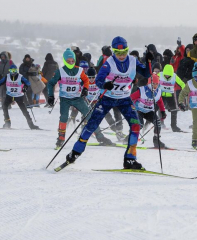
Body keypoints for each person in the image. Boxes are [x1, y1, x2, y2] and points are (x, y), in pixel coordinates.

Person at [60, 36, 152, 170]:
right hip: (107, 98)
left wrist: (149, 60)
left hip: (125, 99)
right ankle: (75, 153)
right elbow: (98, 81)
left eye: (124, 52)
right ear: (113, 51)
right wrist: (105, 84)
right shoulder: (109, 63)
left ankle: (130, 160)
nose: (121, 55)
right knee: (91, 125)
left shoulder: (133, 61)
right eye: (118, 52)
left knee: (136, 126)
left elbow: (147, 74)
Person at [47, 48, 111, 149]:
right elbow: (50, 83)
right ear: (64, 60)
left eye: (72, 61)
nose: (71, 63)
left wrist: (85, 89)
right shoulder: (60, 71)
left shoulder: (79, 70)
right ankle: (60, 138)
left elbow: (85, 80)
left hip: (77, 98)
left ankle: (100, 137)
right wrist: (50, 95)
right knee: (64, 117)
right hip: (65, 99)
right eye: (68, 61)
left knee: (89, 115)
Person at [0, 61, 39, 129]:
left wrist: (25, 87)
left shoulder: (20, 77)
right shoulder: (7, 76)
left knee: (24, 110)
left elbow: (27, 83)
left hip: (19, 96)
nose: (13, 72)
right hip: (9, 96)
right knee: (4, 106)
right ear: (9, 71)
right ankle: (7, 122)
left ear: (16, 70)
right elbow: (0, 82)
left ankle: (31, 124)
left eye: (14, 70)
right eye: (11, 70)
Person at [130, 73, 168, 149]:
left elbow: (160, 102)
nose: (155, 86)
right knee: (139, 125)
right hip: (138, 110)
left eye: (157, 84)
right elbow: (131, 98)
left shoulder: (158, 92)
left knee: (157, 122)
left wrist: (163, 111)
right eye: (153, 84)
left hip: (149, 111)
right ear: (149, 83)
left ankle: (156, 141)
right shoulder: (142, 90)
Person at [159, 64, 186, 132]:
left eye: (169, 75)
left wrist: (184, 90)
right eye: (166, 75)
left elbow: (182, 84)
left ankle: (174, 126)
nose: (167, 76)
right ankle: (151, 124)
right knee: (155, 109)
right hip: (160, 95)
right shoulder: (160, 74)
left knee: (174, 110)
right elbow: (151, 80)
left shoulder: (174, 76)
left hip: (170, 96)